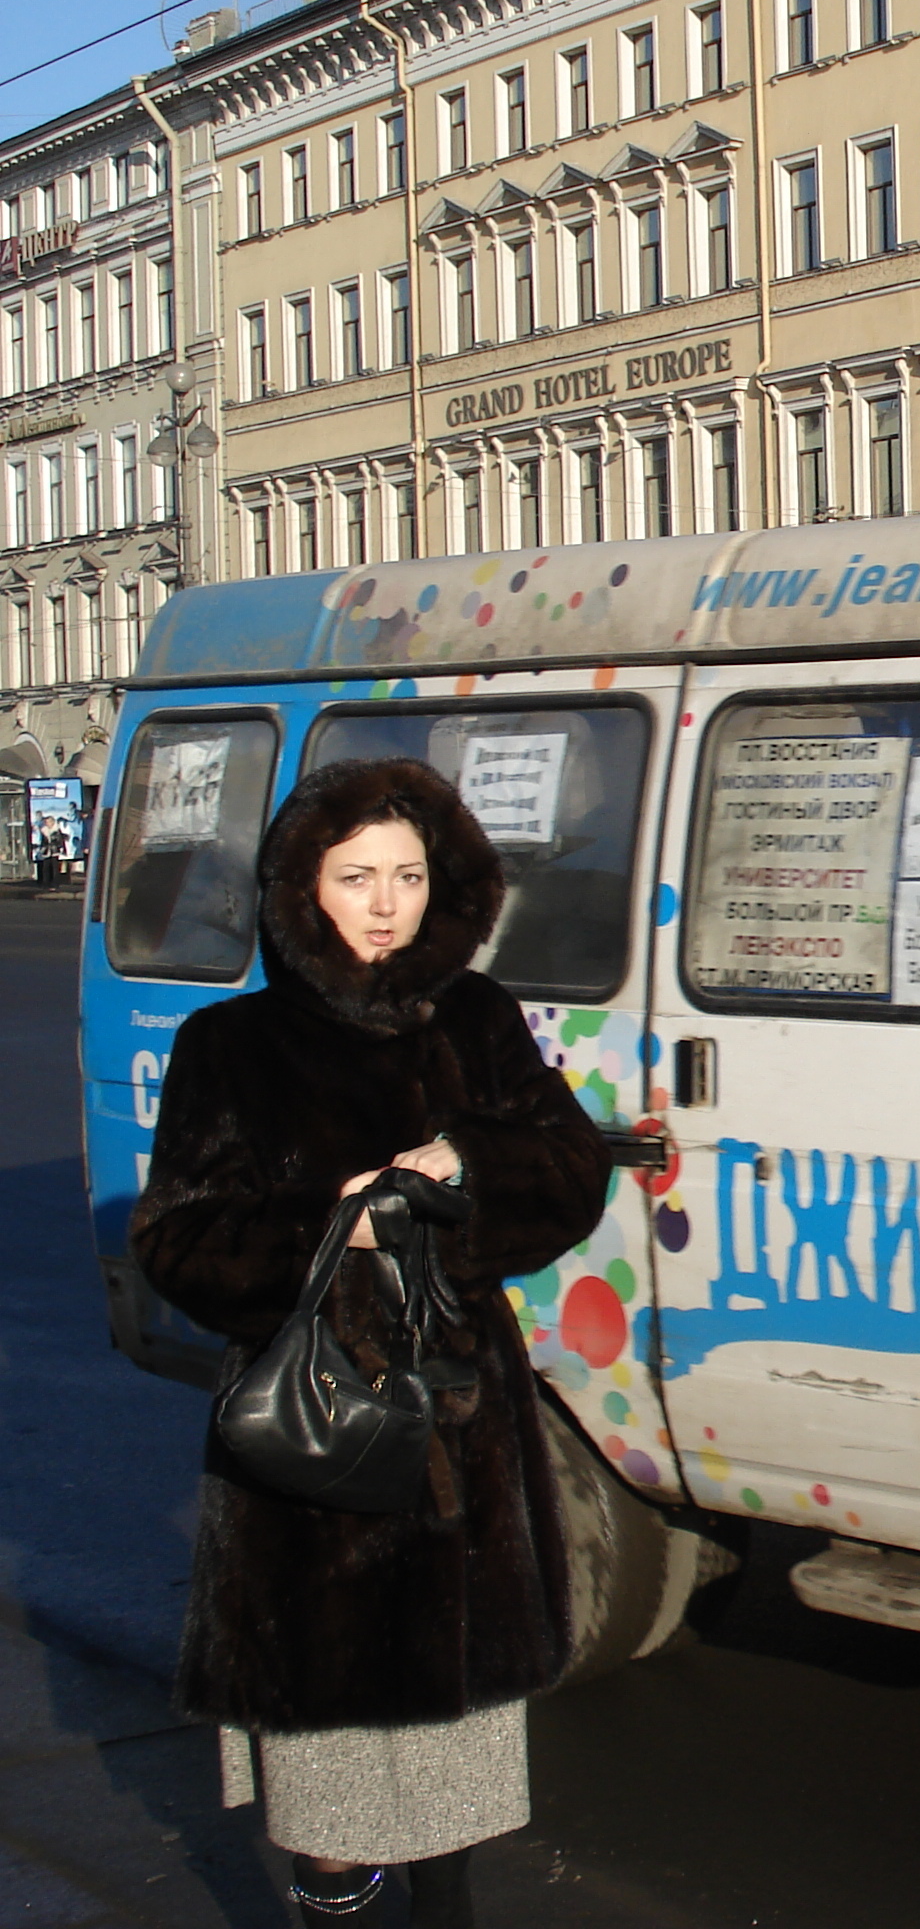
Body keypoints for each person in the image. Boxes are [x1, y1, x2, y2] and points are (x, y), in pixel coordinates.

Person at [130, 759, 607, 1926]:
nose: (386, 901)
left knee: (448, 1811)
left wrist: (469, 1170)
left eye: (407, 873)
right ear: (304, 889)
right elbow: (178, 1243)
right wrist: (327, 1228)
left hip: (462, 1452)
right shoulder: (230, 1045)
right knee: (335, 1824)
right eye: (356, 877)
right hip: (312, 1461)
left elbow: (569, 1175)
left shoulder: (479, 1022)